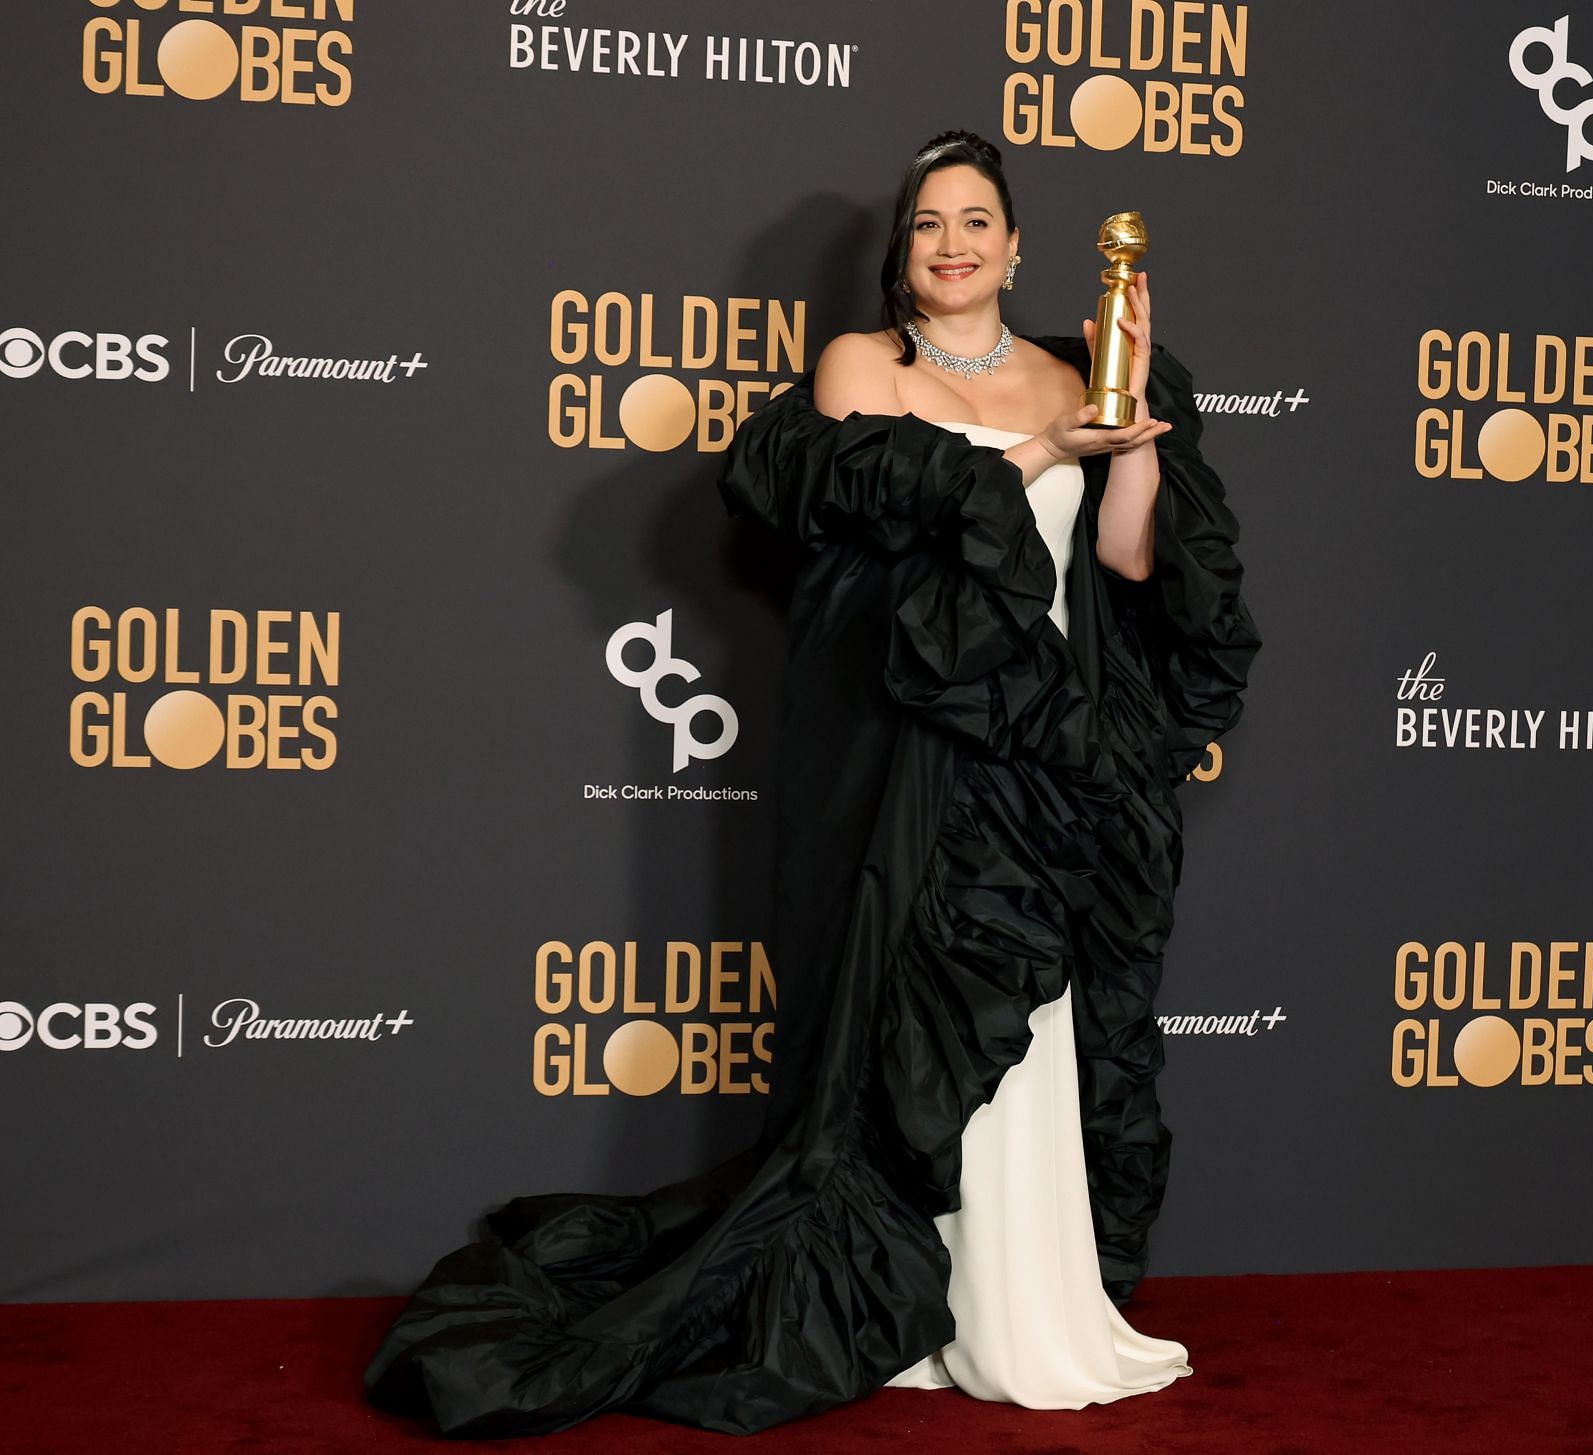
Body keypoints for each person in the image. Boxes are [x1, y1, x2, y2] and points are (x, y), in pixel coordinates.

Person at [362, 129, 1259, 1440]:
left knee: (1038, 1033)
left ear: (1017, 245)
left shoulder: (1077, 371)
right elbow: (883, 533)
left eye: (974, 222)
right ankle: (900, 1305)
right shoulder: (860, 369)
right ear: (904, 255)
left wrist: (1123, 433)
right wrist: (1036, 447)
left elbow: (1123, 565)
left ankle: (1027, 1305)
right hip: (912, 753)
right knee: (911, 1022)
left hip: (1048, 762)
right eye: (925, 227)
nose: (950, 244)